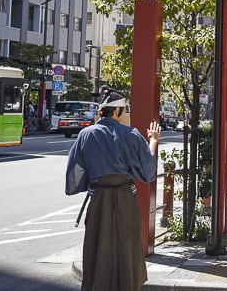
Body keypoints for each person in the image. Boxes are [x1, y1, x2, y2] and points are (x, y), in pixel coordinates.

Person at [65, 91, 161, 291]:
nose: (126, 115)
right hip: (124, 197)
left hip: (99, 198)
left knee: (98, 247)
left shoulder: (86, 134)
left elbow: (75, 172)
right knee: (127, 247)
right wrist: (153, 140)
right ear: (117, 110)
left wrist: (93, 182)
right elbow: (147, 170)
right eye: (124, 111)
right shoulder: (130, 134)